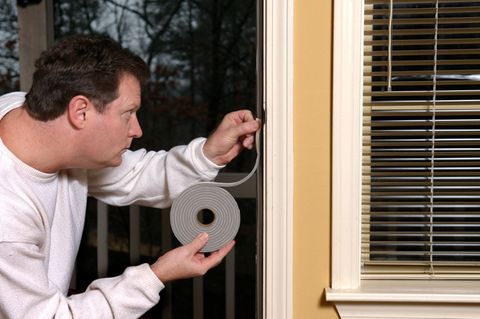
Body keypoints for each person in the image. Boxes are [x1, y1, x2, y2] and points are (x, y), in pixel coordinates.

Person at [0, 34, 260, 318]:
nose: (137, 130)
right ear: (81, 112)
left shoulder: (27, 114)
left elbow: (134, 175)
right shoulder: (8, 213)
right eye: (128, 114)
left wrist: (209, 155)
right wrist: (156, 276)